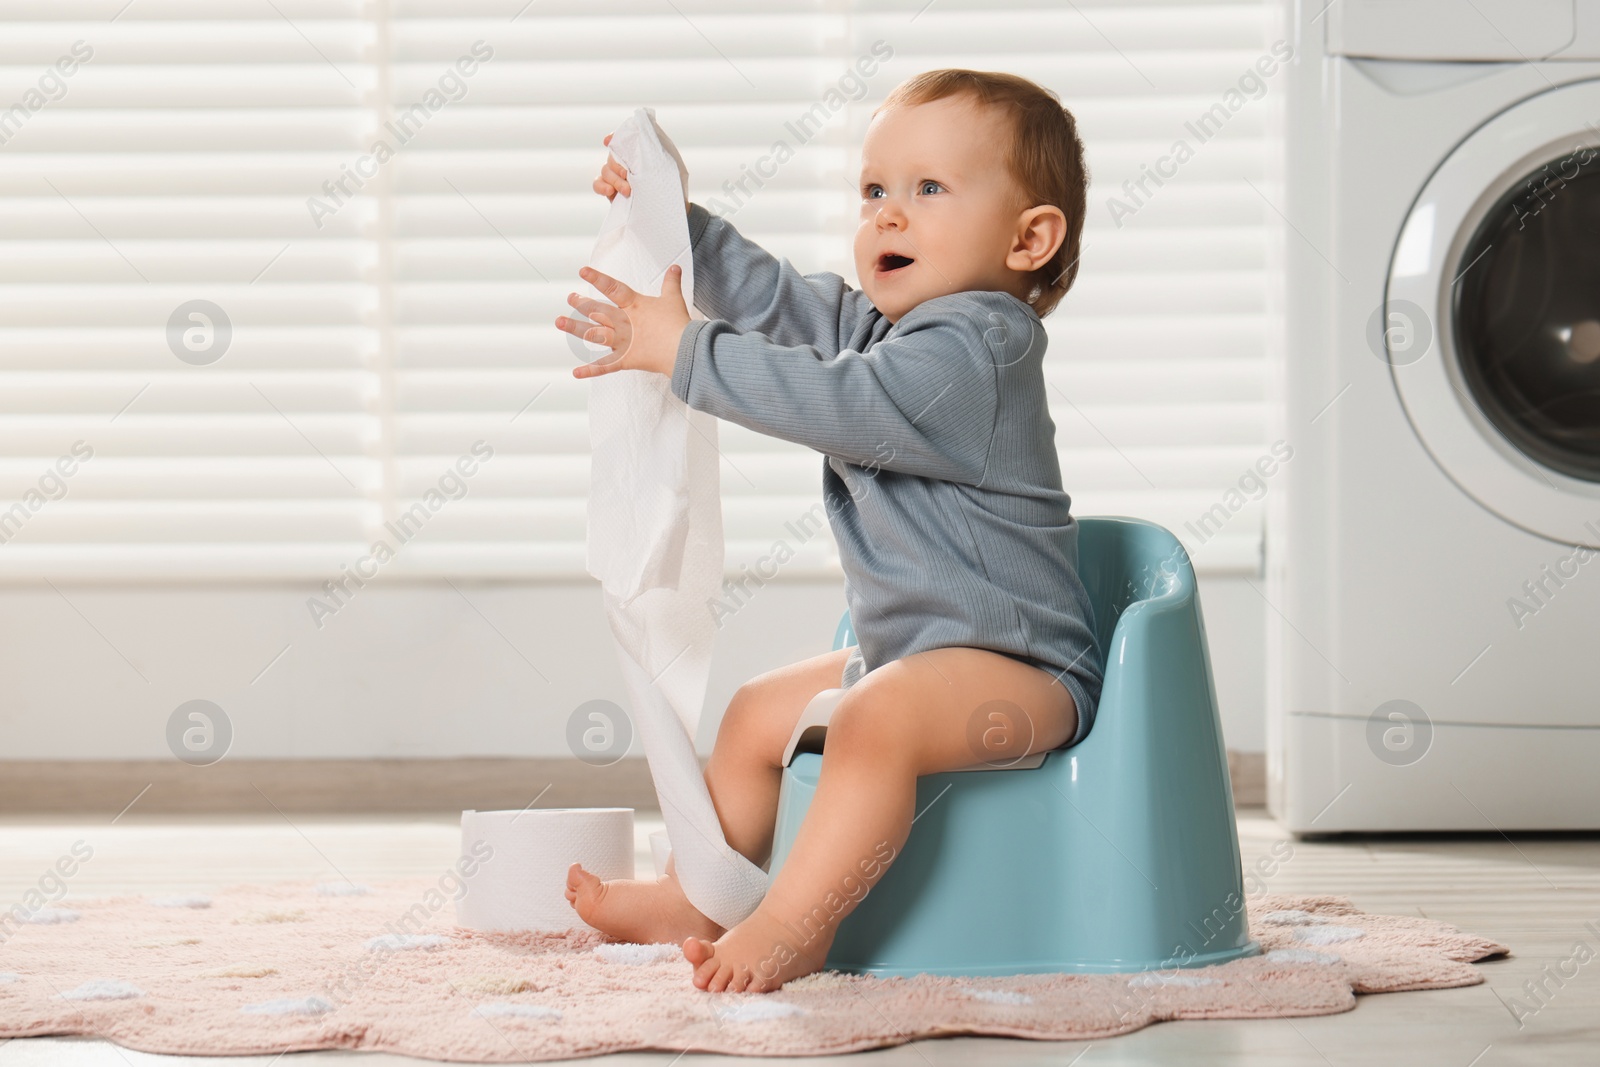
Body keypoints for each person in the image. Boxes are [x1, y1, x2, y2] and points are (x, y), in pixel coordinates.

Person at [555, 69, 1103, 993]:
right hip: (914, 654)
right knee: (755, 712)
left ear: (1028, 238)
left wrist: (683, 350)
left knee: (870, 719)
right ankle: (701, 890)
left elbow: (836, 399)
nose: (889, 214)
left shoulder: (979, 351)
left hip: (1026, 671)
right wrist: (679, 226)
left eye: (928, 189)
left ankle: (795, 923)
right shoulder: (891, 330)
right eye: (875, 190)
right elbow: (776, 302)